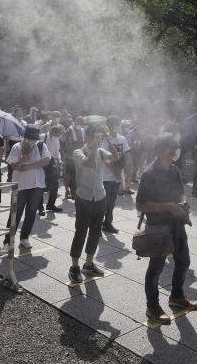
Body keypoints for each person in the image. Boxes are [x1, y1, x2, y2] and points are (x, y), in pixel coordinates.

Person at [136, 134, 197, 323]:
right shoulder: (150, 173)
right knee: (156, 268)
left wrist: (182, 203)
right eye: (174, 147)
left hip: (177, 225)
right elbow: (140, 205)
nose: (177, 150)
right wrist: (168, 206)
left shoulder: (174, 170)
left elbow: (181, 193)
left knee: (183, 261)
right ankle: (152, 306)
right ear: (163, 149)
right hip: (158, 227)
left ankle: (176, 296)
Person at [69, 125, 118, 282]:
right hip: (84, 197)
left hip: (99, 197)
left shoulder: (100, 151)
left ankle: (88, 264)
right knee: (81, 231)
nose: (99, 139)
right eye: (97, 136)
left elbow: (115, 157)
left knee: (96, 232)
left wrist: (109, 138)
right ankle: (74, 267)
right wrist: (95, 147)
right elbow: (89, 164)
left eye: (100, 137)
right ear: (88, 137)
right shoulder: (78, 152)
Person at [5, 126, 51, 249]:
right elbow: (14, 166)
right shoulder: (17, 147)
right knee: (15, 212)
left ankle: (24, 238)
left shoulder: (41, 146)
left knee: (31, 212)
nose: (31, 142)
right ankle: (7, 241)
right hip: (20, 185)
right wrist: (23, 160)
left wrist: (28, 166)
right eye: (29, 139)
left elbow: (46, 161)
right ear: (25, 138)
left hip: (37, 185)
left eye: (33, 139)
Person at [99, 116, 131, 233]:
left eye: (117, 124)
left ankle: (107, 223)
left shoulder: (122, 138)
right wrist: (114, 171)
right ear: (108, 125)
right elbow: (103, 157)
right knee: (105, 201)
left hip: (117, 176)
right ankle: (99, 223)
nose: (115, 127)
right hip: (107, 176)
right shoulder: (104, 140)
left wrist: (123, 170)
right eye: (112, 124)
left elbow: (125, 154)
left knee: (112, 201)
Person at [43, 125, 64, 212]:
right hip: (42, 163)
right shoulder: (42, 137)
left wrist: (59, 159)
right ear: (53, 132)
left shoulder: (56, 140)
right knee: (41, 186)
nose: (59, 136)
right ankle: (39, 206)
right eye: (58, 134)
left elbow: (56, 152)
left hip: (51, 163)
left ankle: (51, 205)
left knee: (55, 185)